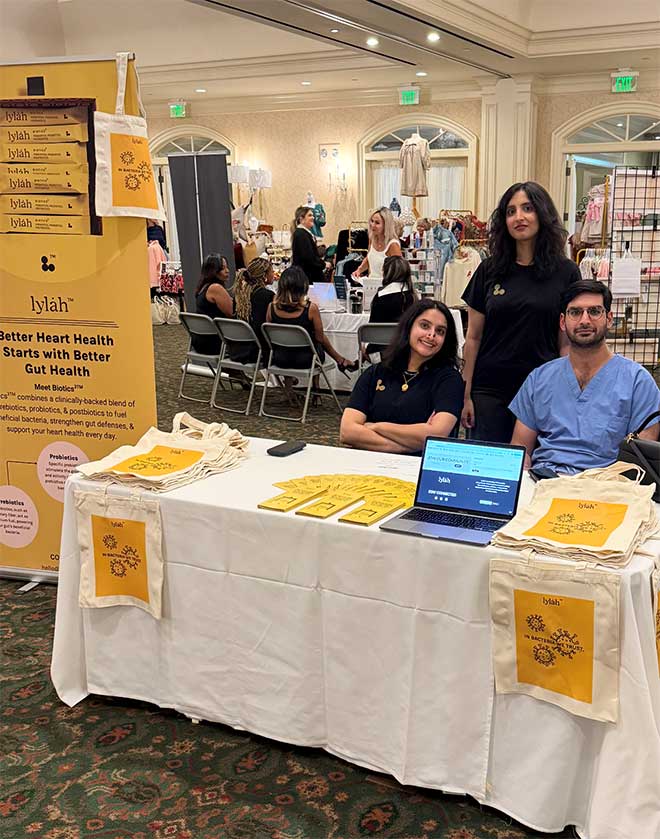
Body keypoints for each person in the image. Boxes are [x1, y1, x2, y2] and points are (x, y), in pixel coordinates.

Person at [461, 181, 581, 443]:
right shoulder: (488, 270)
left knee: (538, 471)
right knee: (489, 472)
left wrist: (568, 394)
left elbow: (565, 343)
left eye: (527, 208)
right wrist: (466, 394)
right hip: (489, 390)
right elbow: (473, 338)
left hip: (543, 388)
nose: (519, 217)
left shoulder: (566, 272)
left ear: (542, 213)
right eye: (511, 211)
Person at [510, 280, 660, 474]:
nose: (584, 320)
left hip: (608, 488)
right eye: (575, 312)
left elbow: (640, 464)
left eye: (595, 311)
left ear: (609, 319)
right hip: (546, 482)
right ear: (563, 322)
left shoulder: (637, 382)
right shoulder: (540, 379)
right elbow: (520, 450)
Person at [340, 300, 464, 454]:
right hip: (368, 465)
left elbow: (435, 436)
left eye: (440, 331)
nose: (431, 335)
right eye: (424, 326)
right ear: (409, 327)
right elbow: (347, 432)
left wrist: (376, 426)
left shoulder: (449, 380)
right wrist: (410, 444)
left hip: (417, 469)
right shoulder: (376, 373)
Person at [266, 265, 357, 373]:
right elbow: (319, 339)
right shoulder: (311, 308)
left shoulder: (271, 307)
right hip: (306, 359)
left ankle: (288, 386)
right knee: (317, 341)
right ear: (303, 287)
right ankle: (335, 365)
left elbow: (269, 333)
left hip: (280, 357)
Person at [231, 257, 275, 363]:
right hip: (259, 350)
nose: (273, 274)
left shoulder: (240, 296)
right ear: (264, 275)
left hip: (238, 349)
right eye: (272, 271)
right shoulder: (267, 296)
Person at [193, 253, 233, 354]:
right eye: (223, 268)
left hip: (202, 340)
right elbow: (232, 313)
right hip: (214, 342)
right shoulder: (215, 288)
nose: (227, 271)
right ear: (214, 271)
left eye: (227, 267)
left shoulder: (203, 287)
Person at [353, 207, 402, 281]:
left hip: (386, 287)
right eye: (372, 221)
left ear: (386, 225)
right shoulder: (372, 239)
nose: (372, 225)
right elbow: (370, 258)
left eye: (377, 223)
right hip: (371, 285)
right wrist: (359, 270)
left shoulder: (393, 245)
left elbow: (400, 271)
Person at [369, 255, 416, 323]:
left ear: (385, 273)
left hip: (383, 333)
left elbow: (372, 327)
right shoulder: (413, 297)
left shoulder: (380, 297)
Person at [291, 205, 327, 284]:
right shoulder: (301, 234)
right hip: (307, 277)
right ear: (301, 219)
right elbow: (308, 258)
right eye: (310, 215)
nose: (313, 218)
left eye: (313, 215)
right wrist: (324, 264)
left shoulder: (303, 233)